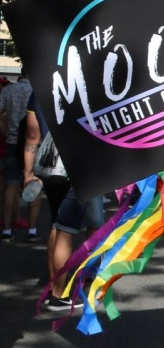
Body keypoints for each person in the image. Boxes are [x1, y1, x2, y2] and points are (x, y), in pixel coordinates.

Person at [23, 92, 105, 310]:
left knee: (56, 224)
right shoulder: (85, 83)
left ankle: (54, 285)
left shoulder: (38, 91)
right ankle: (59, 295)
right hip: (79, 168)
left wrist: (28, 172)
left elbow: (32, 135)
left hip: (49, 169)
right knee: (66, 228)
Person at [0, 69, 34, 242]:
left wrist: (7, 132)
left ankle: (6, 229)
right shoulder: (37, 91)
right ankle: (32, 229)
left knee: (10, 186)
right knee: (33, 184)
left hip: (12, 141)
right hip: (33, 144)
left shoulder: (7, 91)